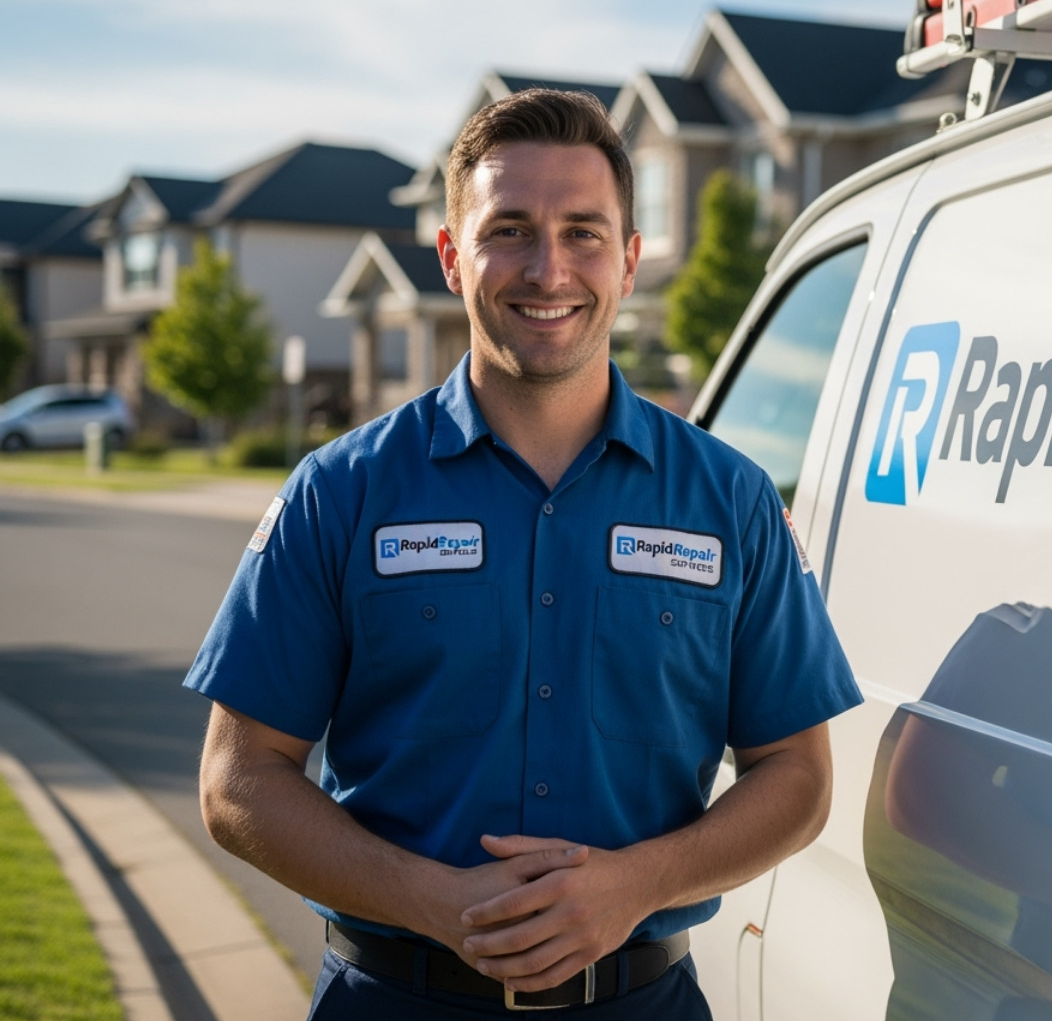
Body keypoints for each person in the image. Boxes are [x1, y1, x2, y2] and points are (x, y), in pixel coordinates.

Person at [186, 88, 862, 1020]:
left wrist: (635, 885)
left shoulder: (730, 500)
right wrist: (435, 901)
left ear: (629, 261)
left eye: (584, 232)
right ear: (453, 256)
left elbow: (798, 774)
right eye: (510, 230)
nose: (549, 269)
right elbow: (237, 780)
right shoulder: (339, 493)